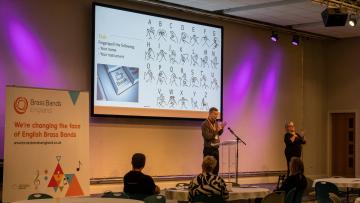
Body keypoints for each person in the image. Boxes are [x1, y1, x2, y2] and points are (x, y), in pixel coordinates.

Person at [201, 107, 226, 174]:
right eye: (215, 114)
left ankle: (215, 182)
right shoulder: (204, 124)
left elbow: (218, 134)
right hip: (208, 149)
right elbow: (207, 136)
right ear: (210, 114)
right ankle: (206, 183)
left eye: (217, 114)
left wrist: (221, 129)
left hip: (215, 149)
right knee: (207, 169)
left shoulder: (216, 123)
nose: (216, 116)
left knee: (216, 169)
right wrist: (216, 131)